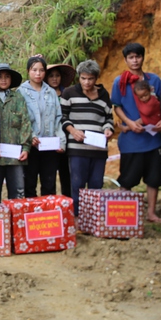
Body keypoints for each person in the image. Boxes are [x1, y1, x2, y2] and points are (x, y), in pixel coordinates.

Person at [111, 42, 161, 224]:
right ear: (126, 60)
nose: (135, 60)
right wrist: (129, 123)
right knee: (127, 179)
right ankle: (125, 216)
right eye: (131, 57)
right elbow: (117, 106)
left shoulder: (154, 81)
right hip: (130, 140)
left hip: (153, 139)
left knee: (154, 178)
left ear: (143, 57)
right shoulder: (120, 82)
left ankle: (151, 213)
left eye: (138, 56)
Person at [60, 60, 115, 215]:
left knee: (96, 184)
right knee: (77, 184)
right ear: (79, 77)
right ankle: (77, 217)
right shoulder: (69, 93)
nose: (86, 82)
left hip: (98, 148)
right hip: (77, 148)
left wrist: (108, 129)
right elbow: (62, 117)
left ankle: (93, 218)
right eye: (83, 78)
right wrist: (73, 130)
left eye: (90, 78)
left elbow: (108, 118)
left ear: (96, 78)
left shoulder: (104, 95)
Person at [18, 56, 66, 197]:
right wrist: (30, 136)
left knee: (49, 183)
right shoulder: (21, 92)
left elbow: (58, 118)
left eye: (41, 70)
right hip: (30, 147)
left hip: (50, 146)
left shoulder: (51, 92)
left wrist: (61, 141)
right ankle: (31, 217)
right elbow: (20, 119)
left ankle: (49, 217)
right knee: (29, 183)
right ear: (28, 71)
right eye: (34, 70)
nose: (38, 74)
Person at [0, 64, 32, 201]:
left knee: (18, 192)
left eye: (7, 76)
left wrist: (26, 148)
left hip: (16, 155)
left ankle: (16, 221)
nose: (3, 80)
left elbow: (25, 123)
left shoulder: (18, 98)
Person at [46, 63, 75, 198]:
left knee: (66, 174)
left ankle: (67, 202)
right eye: (51, 76)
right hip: (48, 140)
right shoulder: (43, 95)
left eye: (57, 75)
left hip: (67, 139)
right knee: (49, 175)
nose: (54, 79)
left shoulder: (67, 94)